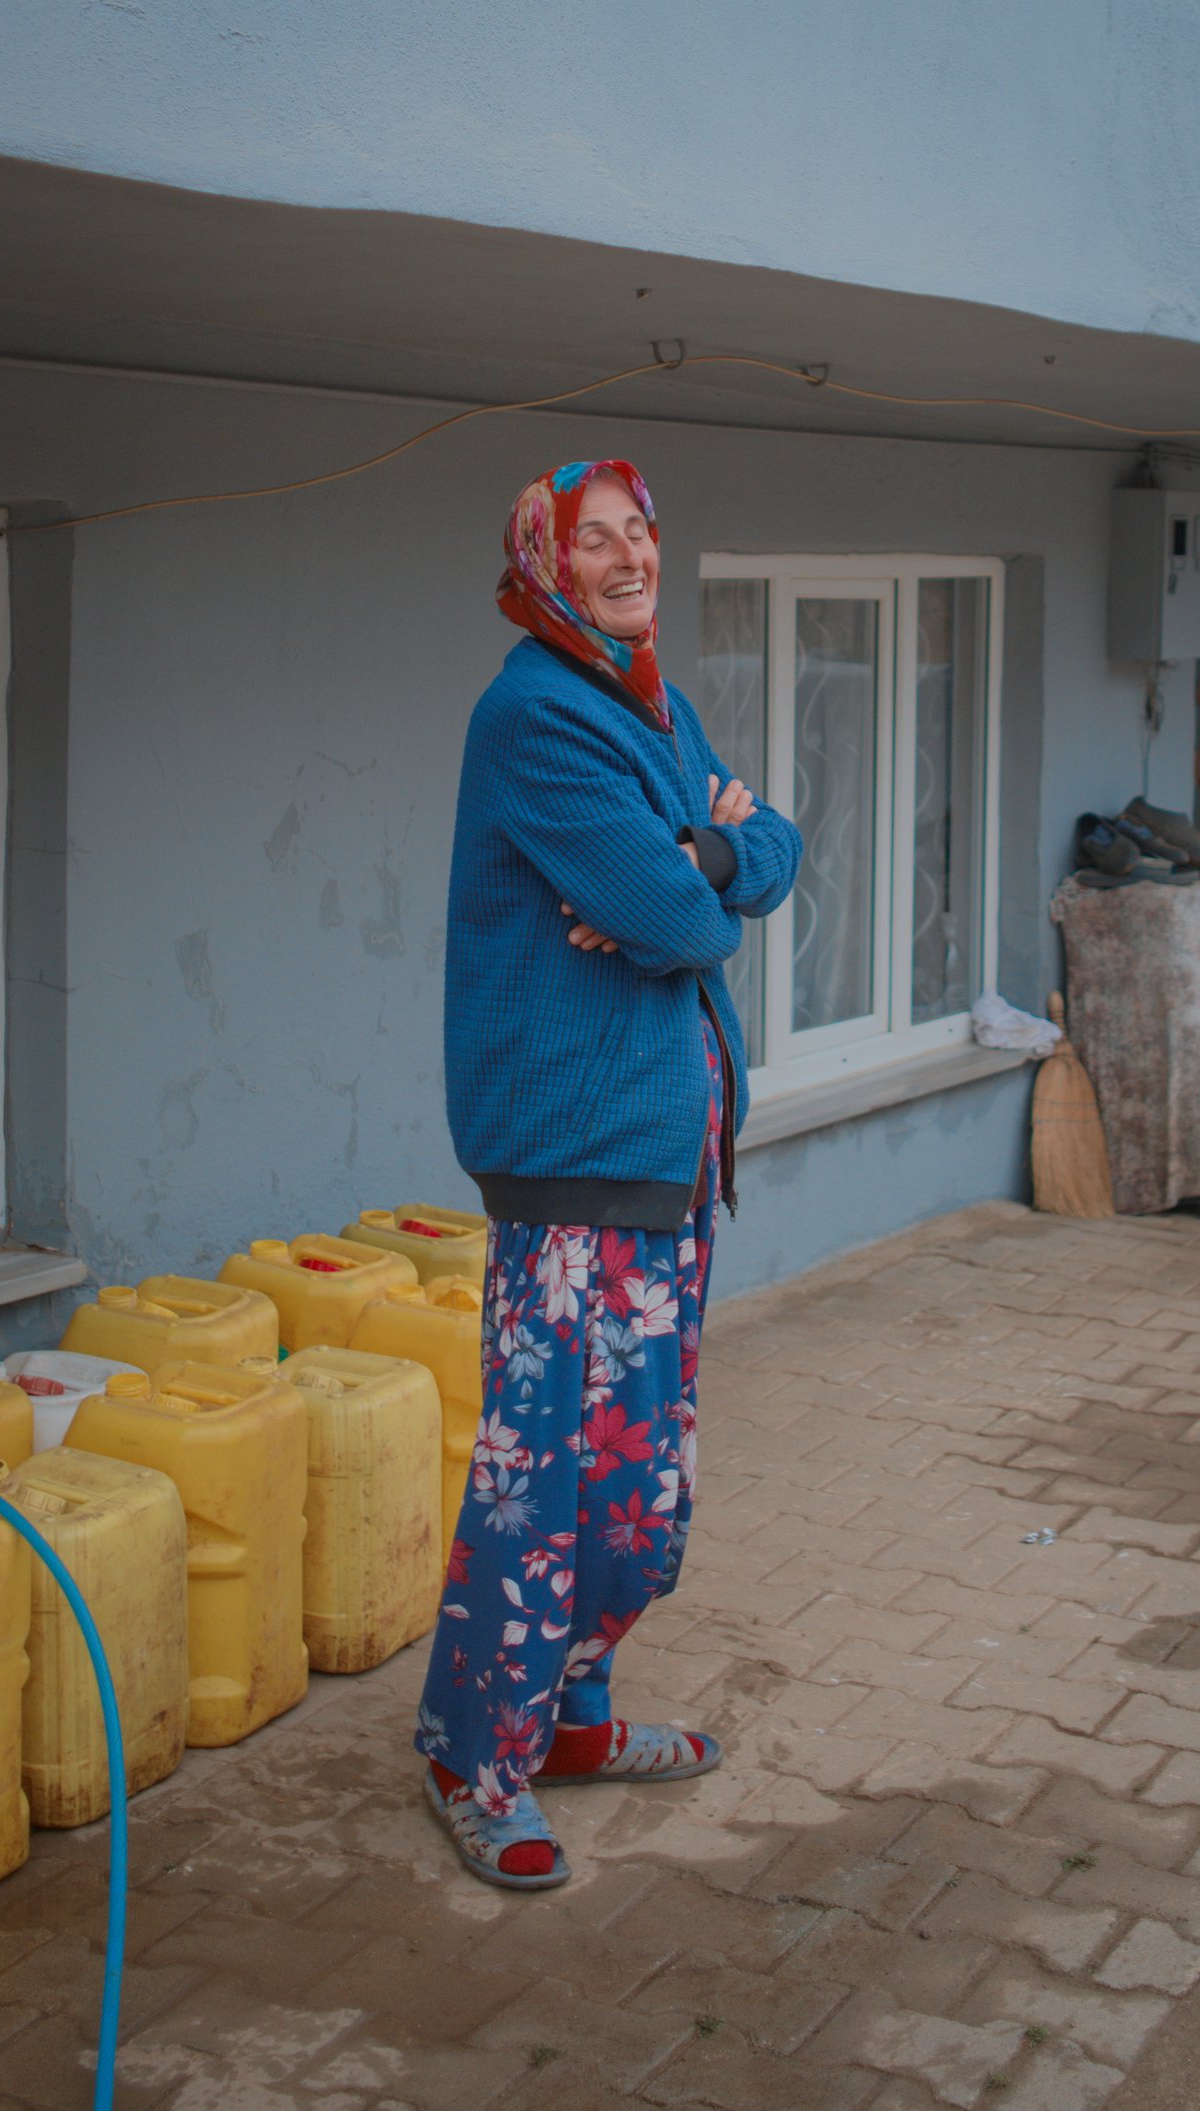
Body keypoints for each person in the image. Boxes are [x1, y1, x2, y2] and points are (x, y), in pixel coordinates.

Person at [416, 456, 801, 1889]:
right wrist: (687, 886)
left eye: (642, 529)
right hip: (575, 1165)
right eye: (595, 540)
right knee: (544, 1482)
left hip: (671, 1169)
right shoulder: (535, 717)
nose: (631, 555)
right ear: (543, 564)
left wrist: (705, 853)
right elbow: (682, 920)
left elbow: (771, 848)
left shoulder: (653, 698)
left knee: (639, 1491)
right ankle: (475, 1754)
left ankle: (573, 1719)